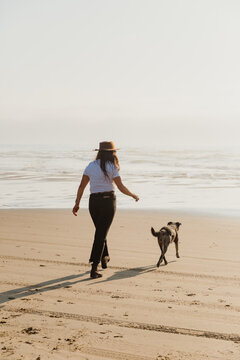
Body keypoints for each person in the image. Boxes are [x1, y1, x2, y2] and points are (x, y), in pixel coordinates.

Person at [72, 141, 139, 279]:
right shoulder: (112, 167)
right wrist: (132, 195)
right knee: (101, 234)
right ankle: (94, 267)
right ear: (111, 152)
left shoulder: (90, 166)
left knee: (101, 231)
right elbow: (120, 187)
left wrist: (77, 203)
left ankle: (105, 257)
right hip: (108, 202)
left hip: (93, 202)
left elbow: (81, 186)